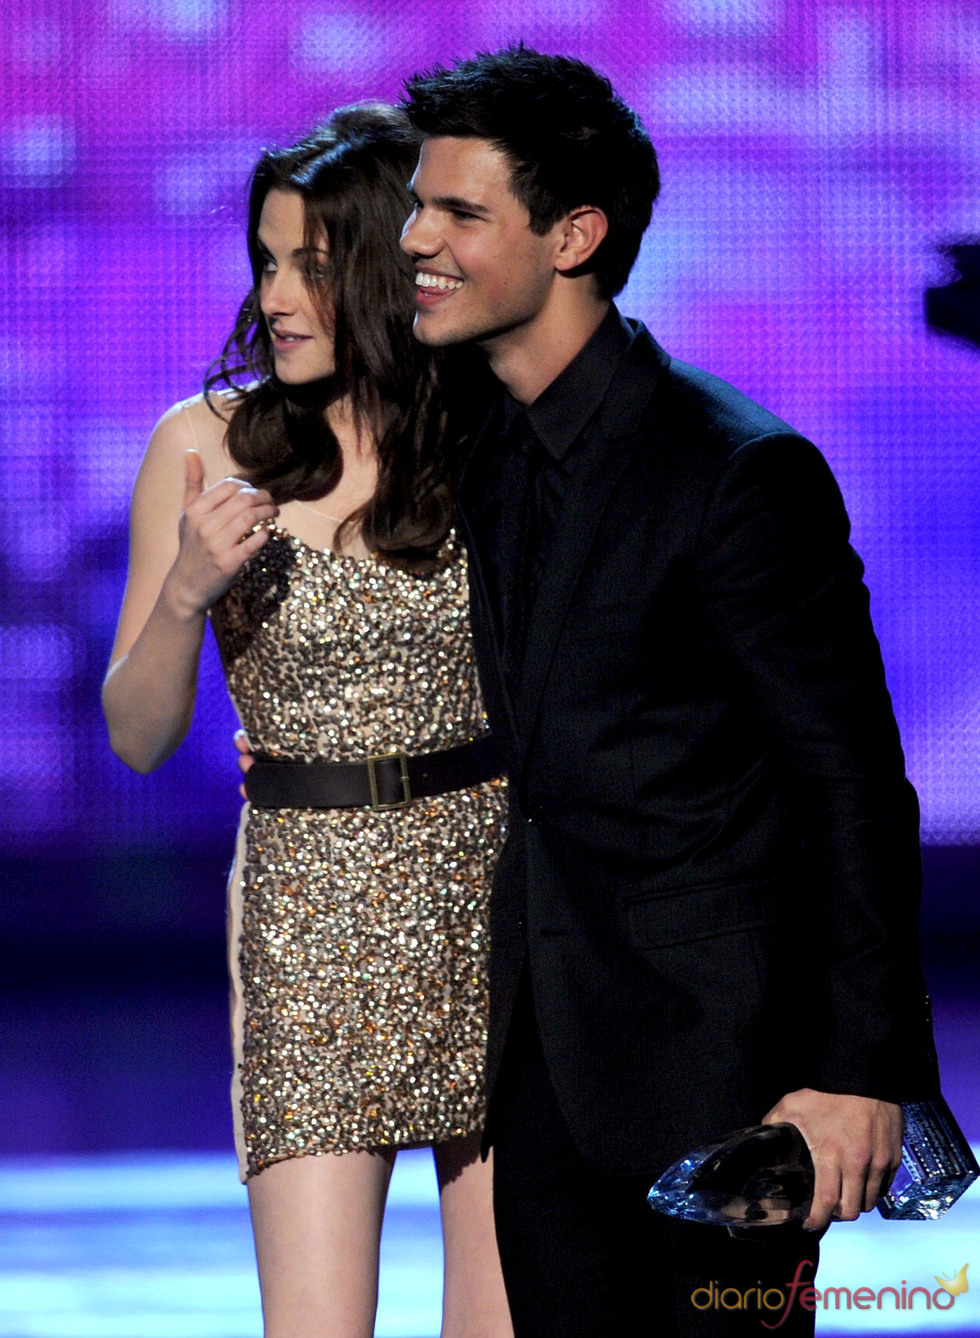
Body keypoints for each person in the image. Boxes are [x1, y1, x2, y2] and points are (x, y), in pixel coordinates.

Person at [399, 47, 941, 1336]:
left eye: (458, 213)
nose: (415, 239)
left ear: (573, 235)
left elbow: (850, 783)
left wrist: (860, 1073)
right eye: (420, 205)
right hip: (539, 1070)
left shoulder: (734, 471)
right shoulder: (478, 448)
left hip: (726, 1083)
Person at [102, 103, 512, 1338]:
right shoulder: (202, 447)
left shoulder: (491, 438)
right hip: (308, 903)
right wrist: (185, 592)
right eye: (265, 264)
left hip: (498, 890)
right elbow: (133, 730)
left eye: (311, 270)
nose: (276, 297)